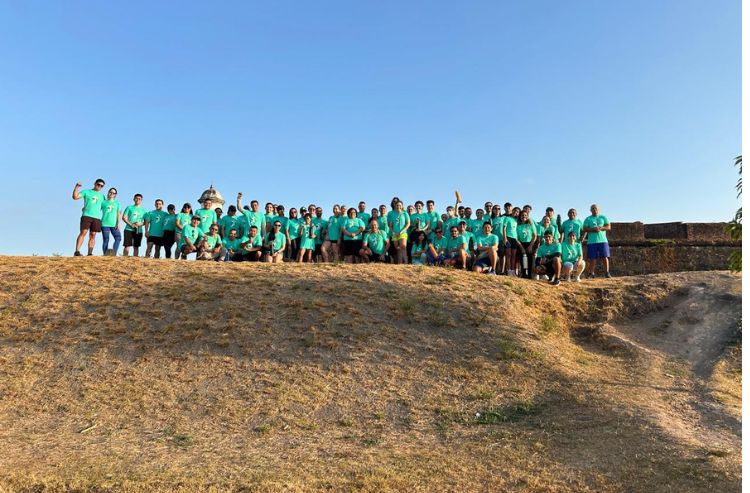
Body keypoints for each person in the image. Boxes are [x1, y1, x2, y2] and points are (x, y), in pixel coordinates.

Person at [72, 178, 105, 256]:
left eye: (101, 186)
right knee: (83, 232)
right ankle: (77, 251)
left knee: (93, 234)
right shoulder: (86, 192)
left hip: (96, 218)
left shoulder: (102, 196)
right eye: (98, 184)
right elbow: (75, 197)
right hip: (87, 215)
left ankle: (90, 253)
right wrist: (77, 187)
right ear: (95, 183)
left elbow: (104, 207)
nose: (99, 186)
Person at [583, 204, 612, 278]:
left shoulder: (603, 217)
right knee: (592, 258)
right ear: (590, 210)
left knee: (604, 257)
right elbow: (585, 229)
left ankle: (607, 272)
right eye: (592, 208)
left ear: (598, 209)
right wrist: (593, 229)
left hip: (602, 240)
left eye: (595, 208)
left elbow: (608, 227)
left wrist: (601, 228)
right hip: (592, 241)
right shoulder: (588, 219)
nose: (594, 209)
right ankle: (591, 273)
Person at [516, 210, 537, 279]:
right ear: (520, 217)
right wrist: (521, 247)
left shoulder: (530, 225)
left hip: (530, 244)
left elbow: (534, 236)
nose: (523, 217)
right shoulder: (518, 226)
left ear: (527, 216)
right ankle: (524, 274)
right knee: (522, 260)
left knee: (530, 260)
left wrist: (531, 246)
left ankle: (530, 275)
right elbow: (517, 238)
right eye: (522, 215)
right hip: (521, 244)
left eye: (525, 215)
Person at [101, 187, 121, 256]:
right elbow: (96, 207)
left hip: (114, 224)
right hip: (104, 223)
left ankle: (113, 253)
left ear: (115, 195)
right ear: (108, 192)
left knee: (118, 238)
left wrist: (118, 223)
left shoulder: (117, 203)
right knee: (106, 239)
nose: (112, 194)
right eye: (110, 192)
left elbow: (119, 214)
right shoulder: (103, 202)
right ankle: (105, 254)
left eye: (113, 193)